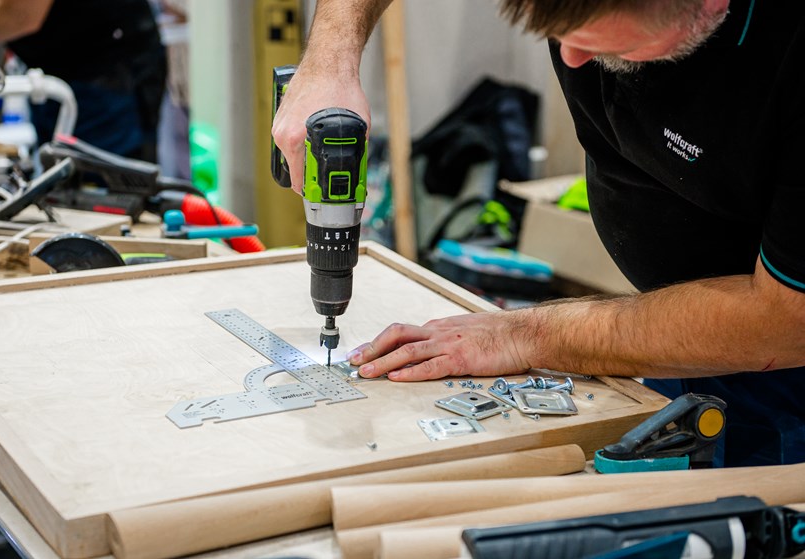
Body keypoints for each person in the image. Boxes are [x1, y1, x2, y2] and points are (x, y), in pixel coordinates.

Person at [271, 0, 805, 468]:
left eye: (599, 40)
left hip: (781, 366)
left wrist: (525, 334)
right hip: (665, 334)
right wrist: (330, 62)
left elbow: (783, 322)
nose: (568, 59)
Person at [0, 0, 167, 162]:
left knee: (101, 177)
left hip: (104, 74)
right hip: (58, 65)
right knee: (56, 172)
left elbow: (21, 15)